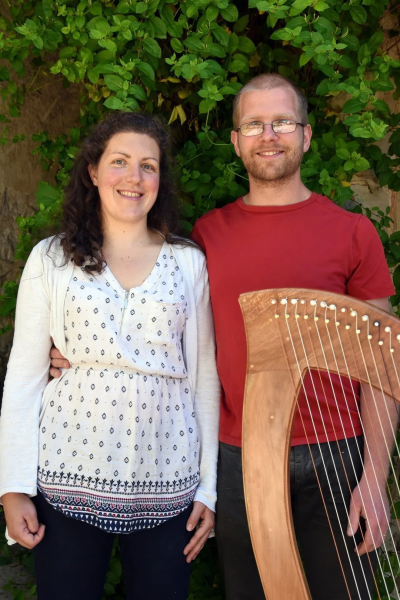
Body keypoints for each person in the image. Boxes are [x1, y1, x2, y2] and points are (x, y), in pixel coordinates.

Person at [49, 76, 397, 599]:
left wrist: (374, 478)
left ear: (305, 135)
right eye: (254, 124)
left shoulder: (353, 233)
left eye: (282, 122)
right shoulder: (205, 238)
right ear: (236, 141)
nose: (269, 135)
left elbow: (383, 370)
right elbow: (164, 326)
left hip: (336, 456)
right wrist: (88, 357)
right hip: (239, 458)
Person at [0, 111, 220, 600]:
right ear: (93, 171)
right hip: (65, 481)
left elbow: (203, 378)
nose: (134, 177)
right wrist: (12, 486)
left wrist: (208, 488)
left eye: (149, 166)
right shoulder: (50, 259)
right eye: (119, 162)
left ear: (160, 181)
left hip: (168, 485)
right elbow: (24, 378)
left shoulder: (188, 262)